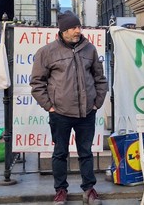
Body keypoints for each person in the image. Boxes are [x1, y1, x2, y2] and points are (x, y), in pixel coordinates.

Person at [30, 10, 108, 205]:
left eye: (79, 26)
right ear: (63, 30)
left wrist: (97, 103)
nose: (77, 30)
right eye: (73, 27)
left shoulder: (89, 49)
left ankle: (89, 189)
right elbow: (37, 83)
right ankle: (60, 190)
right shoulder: (47, 52)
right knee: (60, 153)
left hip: (86, 112)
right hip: (60, 113)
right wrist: (49, 107)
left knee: (86, 152)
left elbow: (100, 78)